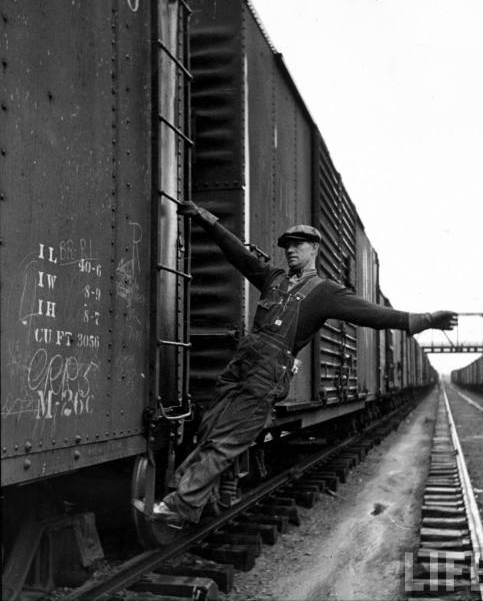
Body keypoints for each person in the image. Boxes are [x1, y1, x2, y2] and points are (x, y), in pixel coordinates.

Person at [134, 201, 457, 529]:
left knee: (227, 439)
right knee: (211, 427)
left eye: (297, 245)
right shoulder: (273, 278)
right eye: (286, 246)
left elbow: (375, 315)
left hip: (267, 372)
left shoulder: (327, 292)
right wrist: (209, 220)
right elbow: (238, 256)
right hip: (243, 363)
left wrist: (427, 319)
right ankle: (222, 494)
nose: (290, 251)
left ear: (314, 249)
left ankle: (180, 506)